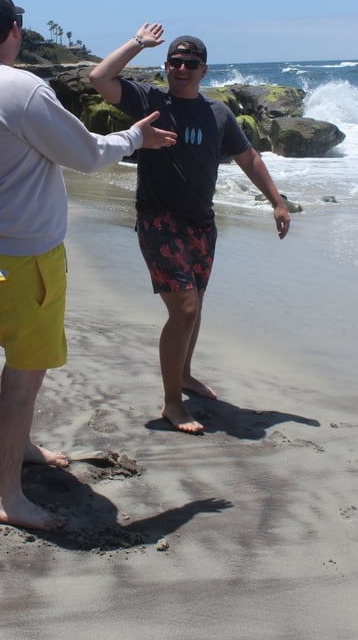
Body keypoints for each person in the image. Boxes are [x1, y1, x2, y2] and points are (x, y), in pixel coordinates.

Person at [0, 0, 176, 530]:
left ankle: (21, 449)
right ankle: (7, 497)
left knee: (26, 364)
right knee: (23, 376)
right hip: (24, 259)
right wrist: (136, 137)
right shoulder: (21, 89)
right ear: (14, 29)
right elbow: (87, 155)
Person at [89, 24, 290, 435]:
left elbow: (248, 158)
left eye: (191, 63)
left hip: (202, 223)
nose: (182, 68)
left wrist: (277, 200)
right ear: (166, 67)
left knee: (194, 305)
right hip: (158, 219)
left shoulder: (219, 114)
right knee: (185, 309)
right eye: (176, 62)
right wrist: (138, 43)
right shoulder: (150, 100)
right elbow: (99, 78)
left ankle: (183, 375)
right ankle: (172, 403)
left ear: (203, 70)